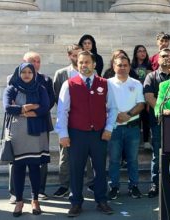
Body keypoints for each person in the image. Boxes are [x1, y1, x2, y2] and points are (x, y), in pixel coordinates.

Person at [56, 51, 117, 217]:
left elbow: (112, 108)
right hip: (77, 134)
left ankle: (102, 200)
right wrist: (63, 133)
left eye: (87, 62)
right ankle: (75, 202)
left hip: (99, 134)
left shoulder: (104, 83)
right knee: (76, 169)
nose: (84, 65)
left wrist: (109, 128)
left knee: (99, 169)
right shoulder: (69, 84)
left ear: (94, 64)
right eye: (81, 62)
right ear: (77, 64)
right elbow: (62, 111)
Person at [7, 52, 55, 203]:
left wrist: (30, 111)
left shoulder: (43, 83)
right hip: (18, 131)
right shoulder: (12, 85)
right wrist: (27, 108)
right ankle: (16, 196)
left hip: (38, 127)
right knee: (17, 164)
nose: (28, 73)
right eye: (25, 71)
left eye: (37, 62)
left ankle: (37, 195)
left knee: (37, 164)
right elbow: (8, 107)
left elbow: (47, 104)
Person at [52, 44, 95, 197]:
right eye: (75, 55)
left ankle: (91, 183)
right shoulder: (61, 74)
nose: (79, 59)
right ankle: (64, 185)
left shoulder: (91, 73)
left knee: (90, 156)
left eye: (81, 55)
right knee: (65, 156)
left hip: (87, 123)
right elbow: (59, 99)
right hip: (68, 122)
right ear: (69, 56)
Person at [107, 55, 145, 200]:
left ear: (129, 67)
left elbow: (141, 104)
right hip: (114, 127)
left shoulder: (136, 83)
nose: (122, 67)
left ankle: (133, 186)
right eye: (119, 65)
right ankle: (114, 187)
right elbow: (102, 104)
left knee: (132, 159)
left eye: (125, 65)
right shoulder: (107, 83)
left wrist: (128, 114)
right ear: (113, 67)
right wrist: (115, 115)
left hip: (132, 128)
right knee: (114, 160)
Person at [143, 48, 170, 198]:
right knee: (157, 154)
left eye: (169, 56)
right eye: (163, 56)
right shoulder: (151, 76)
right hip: (158, 122)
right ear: (157, 60)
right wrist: (163, 111)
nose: (166, 58)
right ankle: (155, 184)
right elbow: (149, 97)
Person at [132, 45, 153, 150]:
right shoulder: (131, 66)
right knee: (136, 120)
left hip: (145, 95)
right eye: (139, 51)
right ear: (136, 53)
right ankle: (135, 142)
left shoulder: (149, 66)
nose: (142, 53)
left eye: (144, 51)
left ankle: (146, 141)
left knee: (145, 119)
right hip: (134, 97)